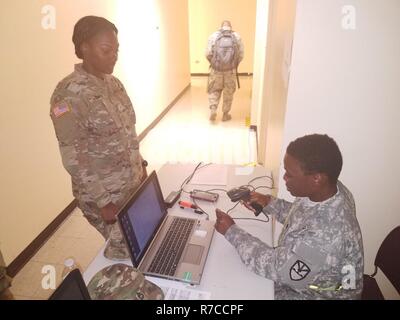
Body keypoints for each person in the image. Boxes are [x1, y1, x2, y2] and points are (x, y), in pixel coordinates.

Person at [215, 134, 364, 299]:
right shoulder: (329, 190)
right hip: (309, 282)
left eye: (289, 174)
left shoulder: (325, 238)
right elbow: (305, 216)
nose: (284, 178)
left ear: (317, 178)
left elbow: (273, 267)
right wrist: (269, 203)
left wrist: (231, 231)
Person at [50, 16, 147, 260]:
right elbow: (74, 157)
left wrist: (141, 166)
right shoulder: (67, 95)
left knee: (143, 242)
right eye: (107, 50)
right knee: (125, 253)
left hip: (130, 187)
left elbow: (128, 133)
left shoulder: (114, 85)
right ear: (84, 48)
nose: (114, 55)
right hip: (104, 197)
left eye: (116, 50)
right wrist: (103, 202)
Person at [205, 20, 244, 122]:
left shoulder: (214, 36)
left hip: (216, 70)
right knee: (228, 92)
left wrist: (214, 64)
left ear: (221, 26)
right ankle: (225, 114)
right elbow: (241, 55)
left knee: (214, 90)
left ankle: (213, 109)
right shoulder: (236, 37)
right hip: (230, 71)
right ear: (231, 26)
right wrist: (233, 65)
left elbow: (208, 53)